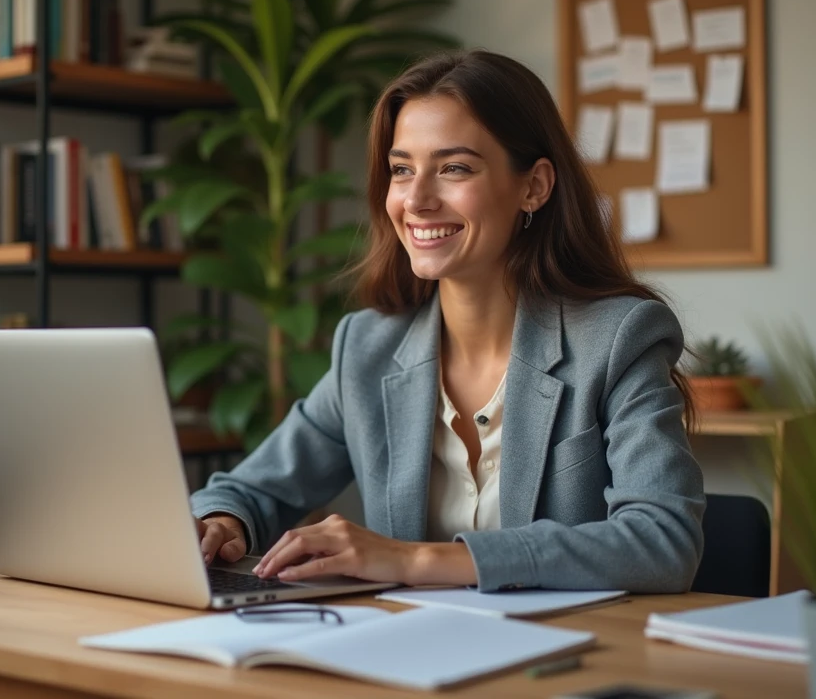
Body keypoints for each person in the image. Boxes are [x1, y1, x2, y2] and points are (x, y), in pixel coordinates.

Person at [190, 49, 705, 593]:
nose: (416, 199)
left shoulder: (619, 339)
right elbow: (254, 490)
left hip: (565, 660)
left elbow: (662, 541)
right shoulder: (367, 346)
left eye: (454, 168)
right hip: (413, 661)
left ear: (534, 186)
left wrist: (413, 562)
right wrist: (223, 523)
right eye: (401, 170)